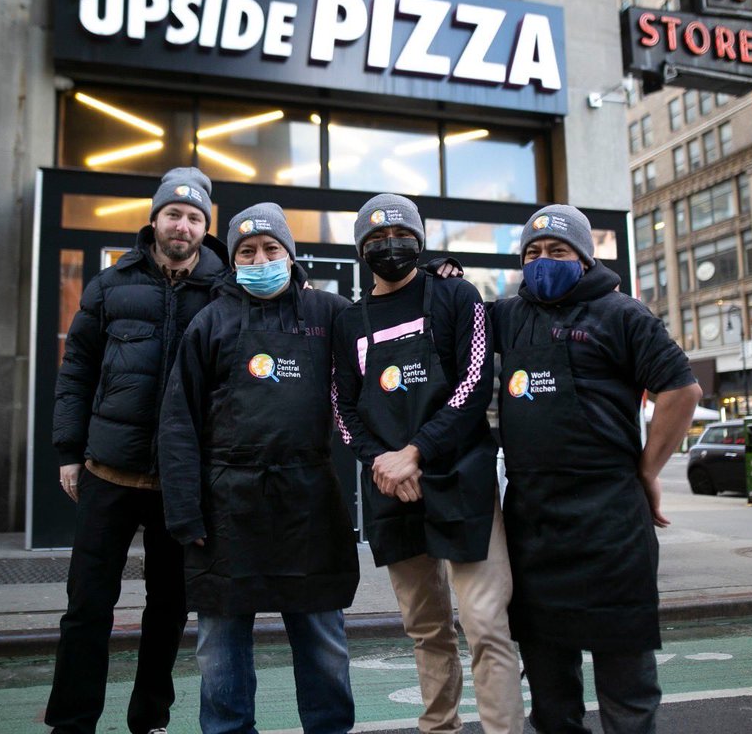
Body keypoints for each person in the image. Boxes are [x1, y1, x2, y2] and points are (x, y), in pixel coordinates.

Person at [491, 204, 701, 734]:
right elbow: (450, 322)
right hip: (533, 524)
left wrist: (647, 470)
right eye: (532, 253)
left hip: (610, 521)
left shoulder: (622, 314)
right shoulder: (509, 316)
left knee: (627, 687)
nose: (543, 261)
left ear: (584, 258)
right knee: (550, 695)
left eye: (557, 251)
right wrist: (443, 272)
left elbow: (681, 390)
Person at [159, 202, 360, 734]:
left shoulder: (330, 313)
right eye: (247, 251)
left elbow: (394, 330)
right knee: (220, 648)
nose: (260, 258)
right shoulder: (210, 321)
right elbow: (178, 421)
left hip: (308, 500)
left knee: (322, 640)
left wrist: (439, 279)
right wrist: (183, 511)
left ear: (290, 256)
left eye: (272, 249)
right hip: (226, 503)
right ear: (233, 260)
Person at [332, 194, 524, 734]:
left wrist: (415, 453)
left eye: (399, 236)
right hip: (392, 488)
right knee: (426, 628)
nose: (389, 247)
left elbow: (474, 384)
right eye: (374, 241)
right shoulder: (350, 321)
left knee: (487, 625)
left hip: (460, 479)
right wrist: (386, 464)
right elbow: (344, 413)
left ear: (419, 239)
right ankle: (439, 727)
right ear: (360, 251)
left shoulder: (457, 295)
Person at [46, 167, 226, 734]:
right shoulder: (109, 285)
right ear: (154, 220)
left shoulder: (225, 290)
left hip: (181, 481)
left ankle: (149, 718)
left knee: (169, 610)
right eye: (174, 213)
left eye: (195, 217)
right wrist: (69, 450)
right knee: (86, 608)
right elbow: (76, 372)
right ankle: (73, 721)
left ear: (205, 227)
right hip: (109, 473)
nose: (183, 224)